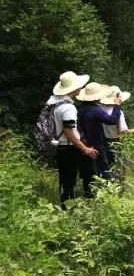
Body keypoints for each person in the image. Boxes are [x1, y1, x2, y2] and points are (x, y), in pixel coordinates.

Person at [46, 71, 99, 209]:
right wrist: (85, 149)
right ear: (73, 89)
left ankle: (66, 207)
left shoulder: (56, 103)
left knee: (65, 179)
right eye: (79, 86)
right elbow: (69, 133)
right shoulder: (68, 108)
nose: (81, 88)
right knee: (69, 181)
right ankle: (67, 209)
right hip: (68, 148)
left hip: (61, 147)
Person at [75, 81, 122, 193]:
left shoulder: (80, 108)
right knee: (103, 168)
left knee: (87, 171)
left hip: (82, 144)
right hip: (96, 143)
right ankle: (108, 194)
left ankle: (88, 194)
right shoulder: (95, 109)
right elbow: (112, 120)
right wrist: (117, 106)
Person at [100, 86, 134, 178]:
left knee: (105, 166)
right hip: (115, 141)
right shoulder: (118, 112)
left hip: (101, 141)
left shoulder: (99, 108)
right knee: (117, 165)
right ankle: (118, 187)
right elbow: (124, 130)